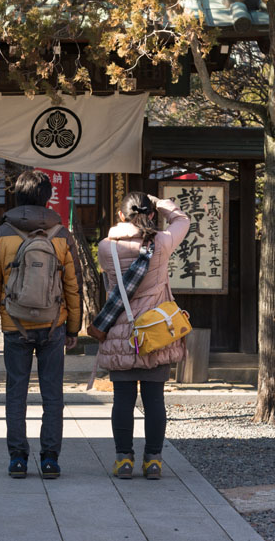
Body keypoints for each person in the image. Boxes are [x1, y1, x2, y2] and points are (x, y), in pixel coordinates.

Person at [0, 170, 82, 479]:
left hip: (15, 325)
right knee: (53, 394)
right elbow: (72, 285)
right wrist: (73, 328)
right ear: (45, 197)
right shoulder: (61, 234)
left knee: (16, 393)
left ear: (18, 196)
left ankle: (18, 459)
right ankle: (50, 458)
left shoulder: (2, 234)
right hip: (53, 324)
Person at [96, 191, 189, 480]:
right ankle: (154, 461)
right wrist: (160, 203)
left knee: (122, 399)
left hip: (121, 332)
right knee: (154, 399)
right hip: (155, 332)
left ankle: (124, 459)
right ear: (150, 215)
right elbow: (182, 219)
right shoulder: (160, 243)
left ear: (121, 216)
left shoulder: (105, 247)